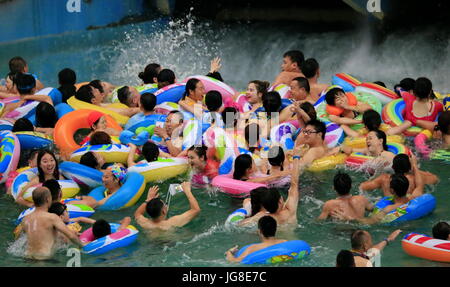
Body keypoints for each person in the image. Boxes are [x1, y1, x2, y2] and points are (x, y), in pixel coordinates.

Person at [333, 160, 424, 224]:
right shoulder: (413, 197)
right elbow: (419, 185)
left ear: (391, 190)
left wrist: (348, 218)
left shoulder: (388, 209)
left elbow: (369, 222)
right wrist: (414, 165)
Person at [238, 148, 301, 227]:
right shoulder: (289, 212)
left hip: (266, 233)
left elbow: (238, 225)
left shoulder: (261, 217)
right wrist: (296, 157)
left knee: (247, 201)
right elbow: (294, 183)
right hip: (292, 239)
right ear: (281, 200)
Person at [21, 187, 83, 260]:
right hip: (44, 259)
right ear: (48, 199)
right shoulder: (52, 217)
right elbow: (71, 236)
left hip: (27, 258)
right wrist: (82, 246)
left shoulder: (25, 219)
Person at [360, 153, 438, 196]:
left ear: (393, 167)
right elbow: (435, 179)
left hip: (390, 207)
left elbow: (363, 186)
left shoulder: (384, 179)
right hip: (409, 204)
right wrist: (414, 167)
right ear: (409, 167)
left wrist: (374, 176)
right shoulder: (417, 179)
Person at [134, 182, 201, 231]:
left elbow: (137, 214)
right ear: (163, 211)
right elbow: (196, 210)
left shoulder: (145, 223)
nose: (166, 205)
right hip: (171, 244)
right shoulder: (172, 223)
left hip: (154, 245)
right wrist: (187, 191)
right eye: (165, 205)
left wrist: (148, 200)